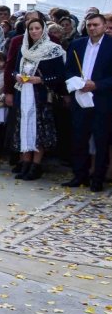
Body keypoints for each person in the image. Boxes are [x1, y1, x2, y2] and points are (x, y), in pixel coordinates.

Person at [10, 17, 65, 181]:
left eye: (37, 28)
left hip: (40, 95)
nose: (34, 31)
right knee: (24, 128)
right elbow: (13, 70)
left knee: (38, 131)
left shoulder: (52, 49)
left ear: (43, 30)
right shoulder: (23, 48)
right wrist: (17, 76)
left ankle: (36, 165)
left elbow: (60, 75)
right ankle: (25, 163)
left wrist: (41, 80)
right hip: (24, 93)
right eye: (31, 29)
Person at [63, 12, 112, 191]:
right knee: (79, 138)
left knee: (101, 141)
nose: (92, 28)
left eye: (96, 25)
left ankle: (98, 178)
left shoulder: (110, 45)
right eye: (89, 25)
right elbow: (68, 70)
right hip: (80, 98)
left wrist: (96, 85)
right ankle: (79, 175)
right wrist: (75, 83)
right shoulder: (77, 45)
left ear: (105, 26)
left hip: (102, 101)